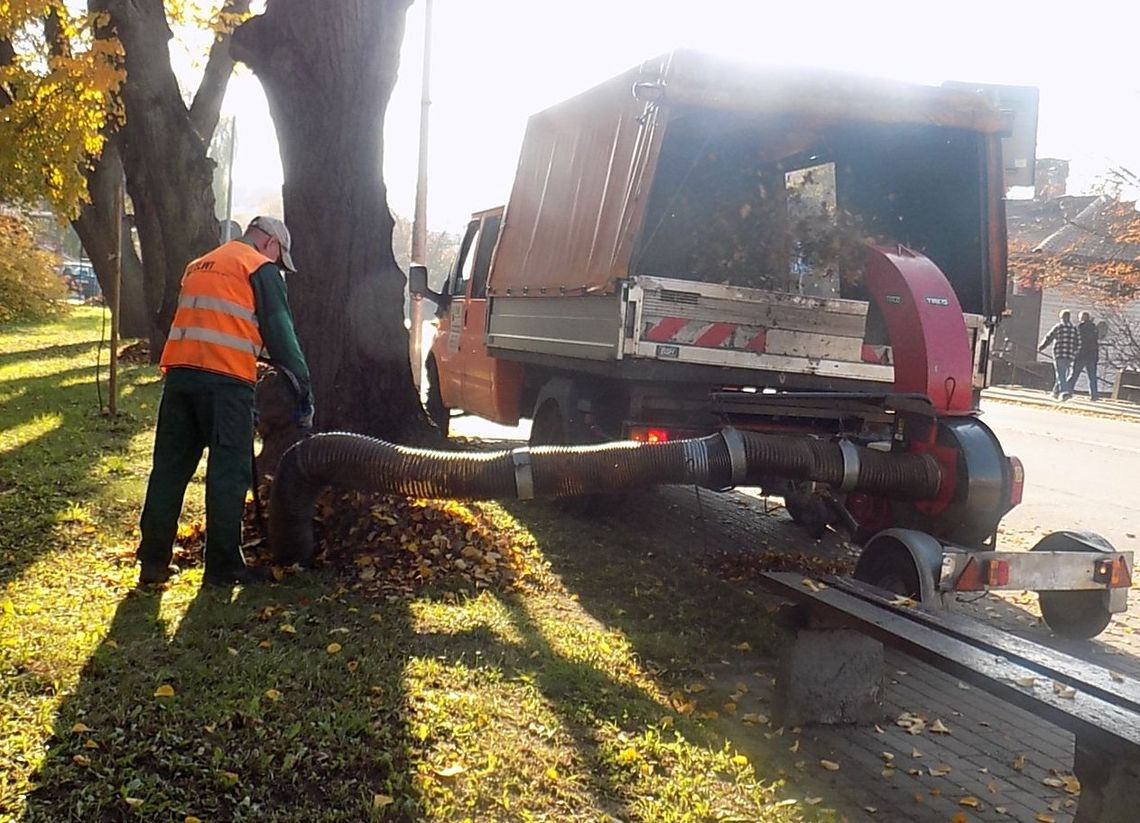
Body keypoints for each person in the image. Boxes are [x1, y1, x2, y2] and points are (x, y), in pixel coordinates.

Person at [137, 216, 314, 587]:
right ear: (270, 244)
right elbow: (280, 334)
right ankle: (222, 568)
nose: (278, 267)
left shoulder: (199, 265)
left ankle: (152, 562)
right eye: (280, 259)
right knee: (228, 473)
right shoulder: (258, 268)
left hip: (181, 378)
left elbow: (213, 320)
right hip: (227, 382)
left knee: (169, 470)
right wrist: (302, 389)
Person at [1039, 309, 1080, 400]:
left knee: (1061, 374)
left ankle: (1065, 392)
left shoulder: (1058, 327)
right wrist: (1074, 353)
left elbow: (1048, 338)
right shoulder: (1074, 329)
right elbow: (1078, 343)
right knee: (1063, 373)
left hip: (1059, 353)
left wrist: (1041, 347)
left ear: (1061, 317)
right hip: (1069, 355)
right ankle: (1055, 392)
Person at [1071, 310, 1101, 401]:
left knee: (1074, 374)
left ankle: (1067, 391)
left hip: (1081, 355)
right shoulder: (1094, 328)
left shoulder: (1079, 328)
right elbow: (1095, 342)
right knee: (1092, 376)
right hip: (1092, 356)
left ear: (1081, 318)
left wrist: (1073, 352)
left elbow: (1075, 341)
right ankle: (1094, 394)